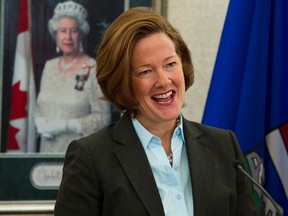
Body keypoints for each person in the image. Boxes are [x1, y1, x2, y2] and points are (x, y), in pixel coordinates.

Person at [54, 7, 258, 216]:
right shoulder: (91, 158)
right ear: (122, 82)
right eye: (146, 71)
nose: (163, 80)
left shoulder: (224, 146)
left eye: (170, 64)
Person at [34, 1, 111, 153]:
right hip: (46, 154)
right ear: (55, 35)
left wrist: (66, 125)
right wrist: (39, 121)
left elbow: (103, 119)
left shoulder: (92, 68)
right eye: (63, 31)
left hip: (78, 155)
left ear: (81, 34)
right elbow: (39, 106)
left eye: (73, 31)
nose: (68, 37)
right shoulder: (49, 67)